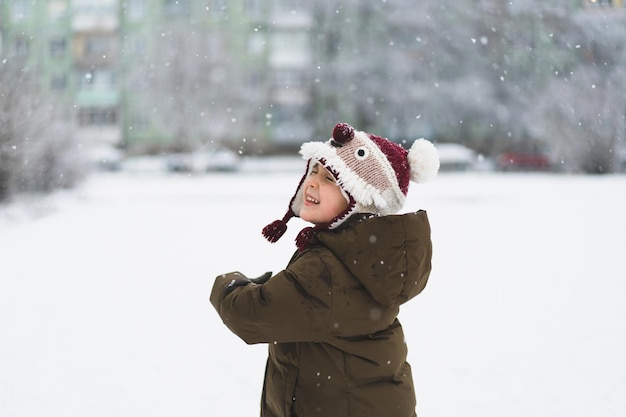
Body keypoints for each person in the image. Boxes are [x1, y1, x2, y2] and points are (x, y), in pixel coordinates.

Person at [210, 122, 439, 417]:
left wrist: (230, 284)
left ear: (361, 201)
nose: (313, 183)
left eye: (330, 178)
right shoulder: (364, 256)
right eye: (314, 171)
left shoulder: (328, 270)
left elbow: (248, 313)